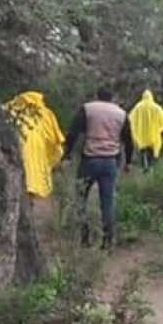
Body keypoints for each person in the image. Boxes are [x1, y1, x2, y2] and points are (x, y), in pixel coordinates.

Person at [64, 87, 134, 250]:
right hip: (110, 162)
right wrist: (128, 162)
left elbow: (73, 133)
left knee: (80, 199)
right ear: (113, 97)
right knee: (107, 202)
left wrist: (66, 154)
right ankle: (107, 241)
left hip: (89, 160)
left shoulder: (88, 109)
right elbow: (129, 140)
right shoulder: (121, 113)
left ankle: (84, 238)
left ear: (97, 96)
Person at [3, 90, 66, 199]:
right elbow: (56, 138)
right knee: (34, 182)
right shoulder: (44, 114)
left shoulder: (8, 110)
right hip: (38, 152)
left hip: (13, 150)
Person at [128, 89, 163, 171]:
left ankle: (145, 168)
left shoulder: (137, 107)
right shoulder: (157, 108)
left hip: (141, 137)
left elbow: (129, 119)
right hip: (153, 137)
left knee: (143, 152)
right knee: (153, 153)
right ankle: (151, 169)